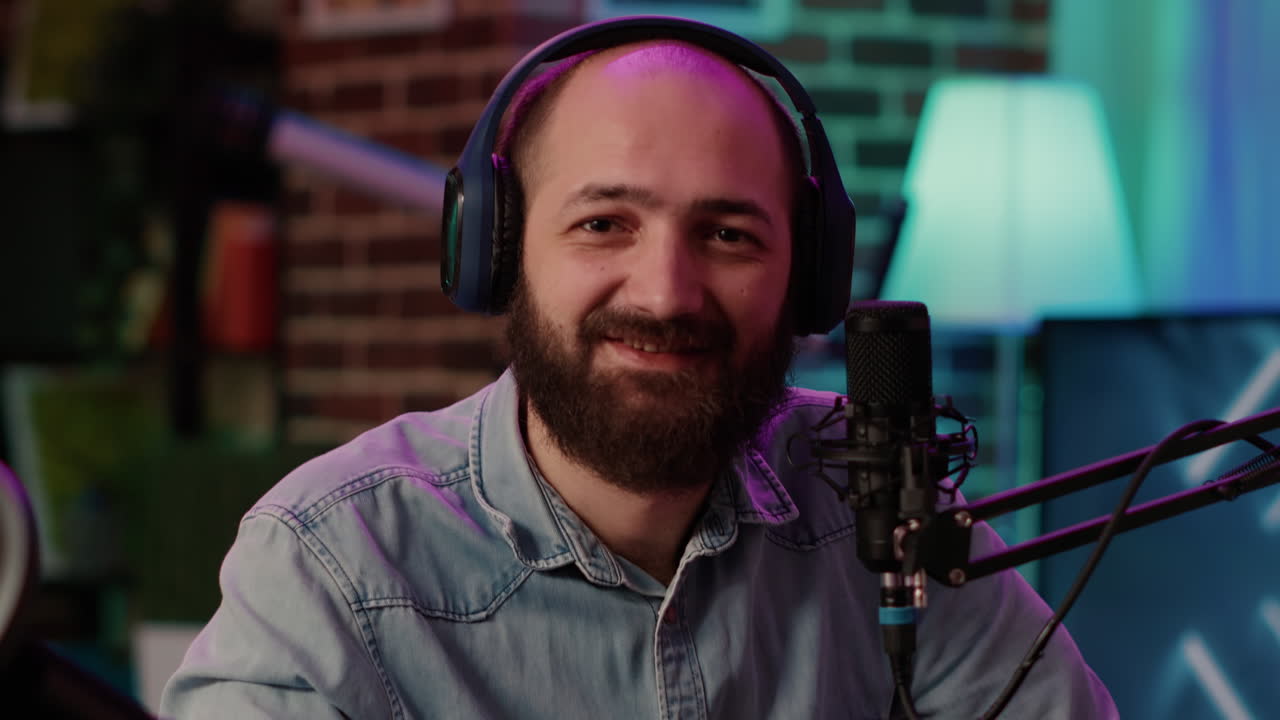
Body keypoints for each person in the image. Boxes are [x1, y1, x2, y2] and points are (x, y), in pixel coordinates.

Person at [162, 18, 1116, 719]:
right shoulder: (335, 562)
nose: (665, 293)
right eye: (602, 224)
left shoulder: (879, 502)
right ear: (498, 253)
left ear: (810, 274)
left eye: (728, 234)